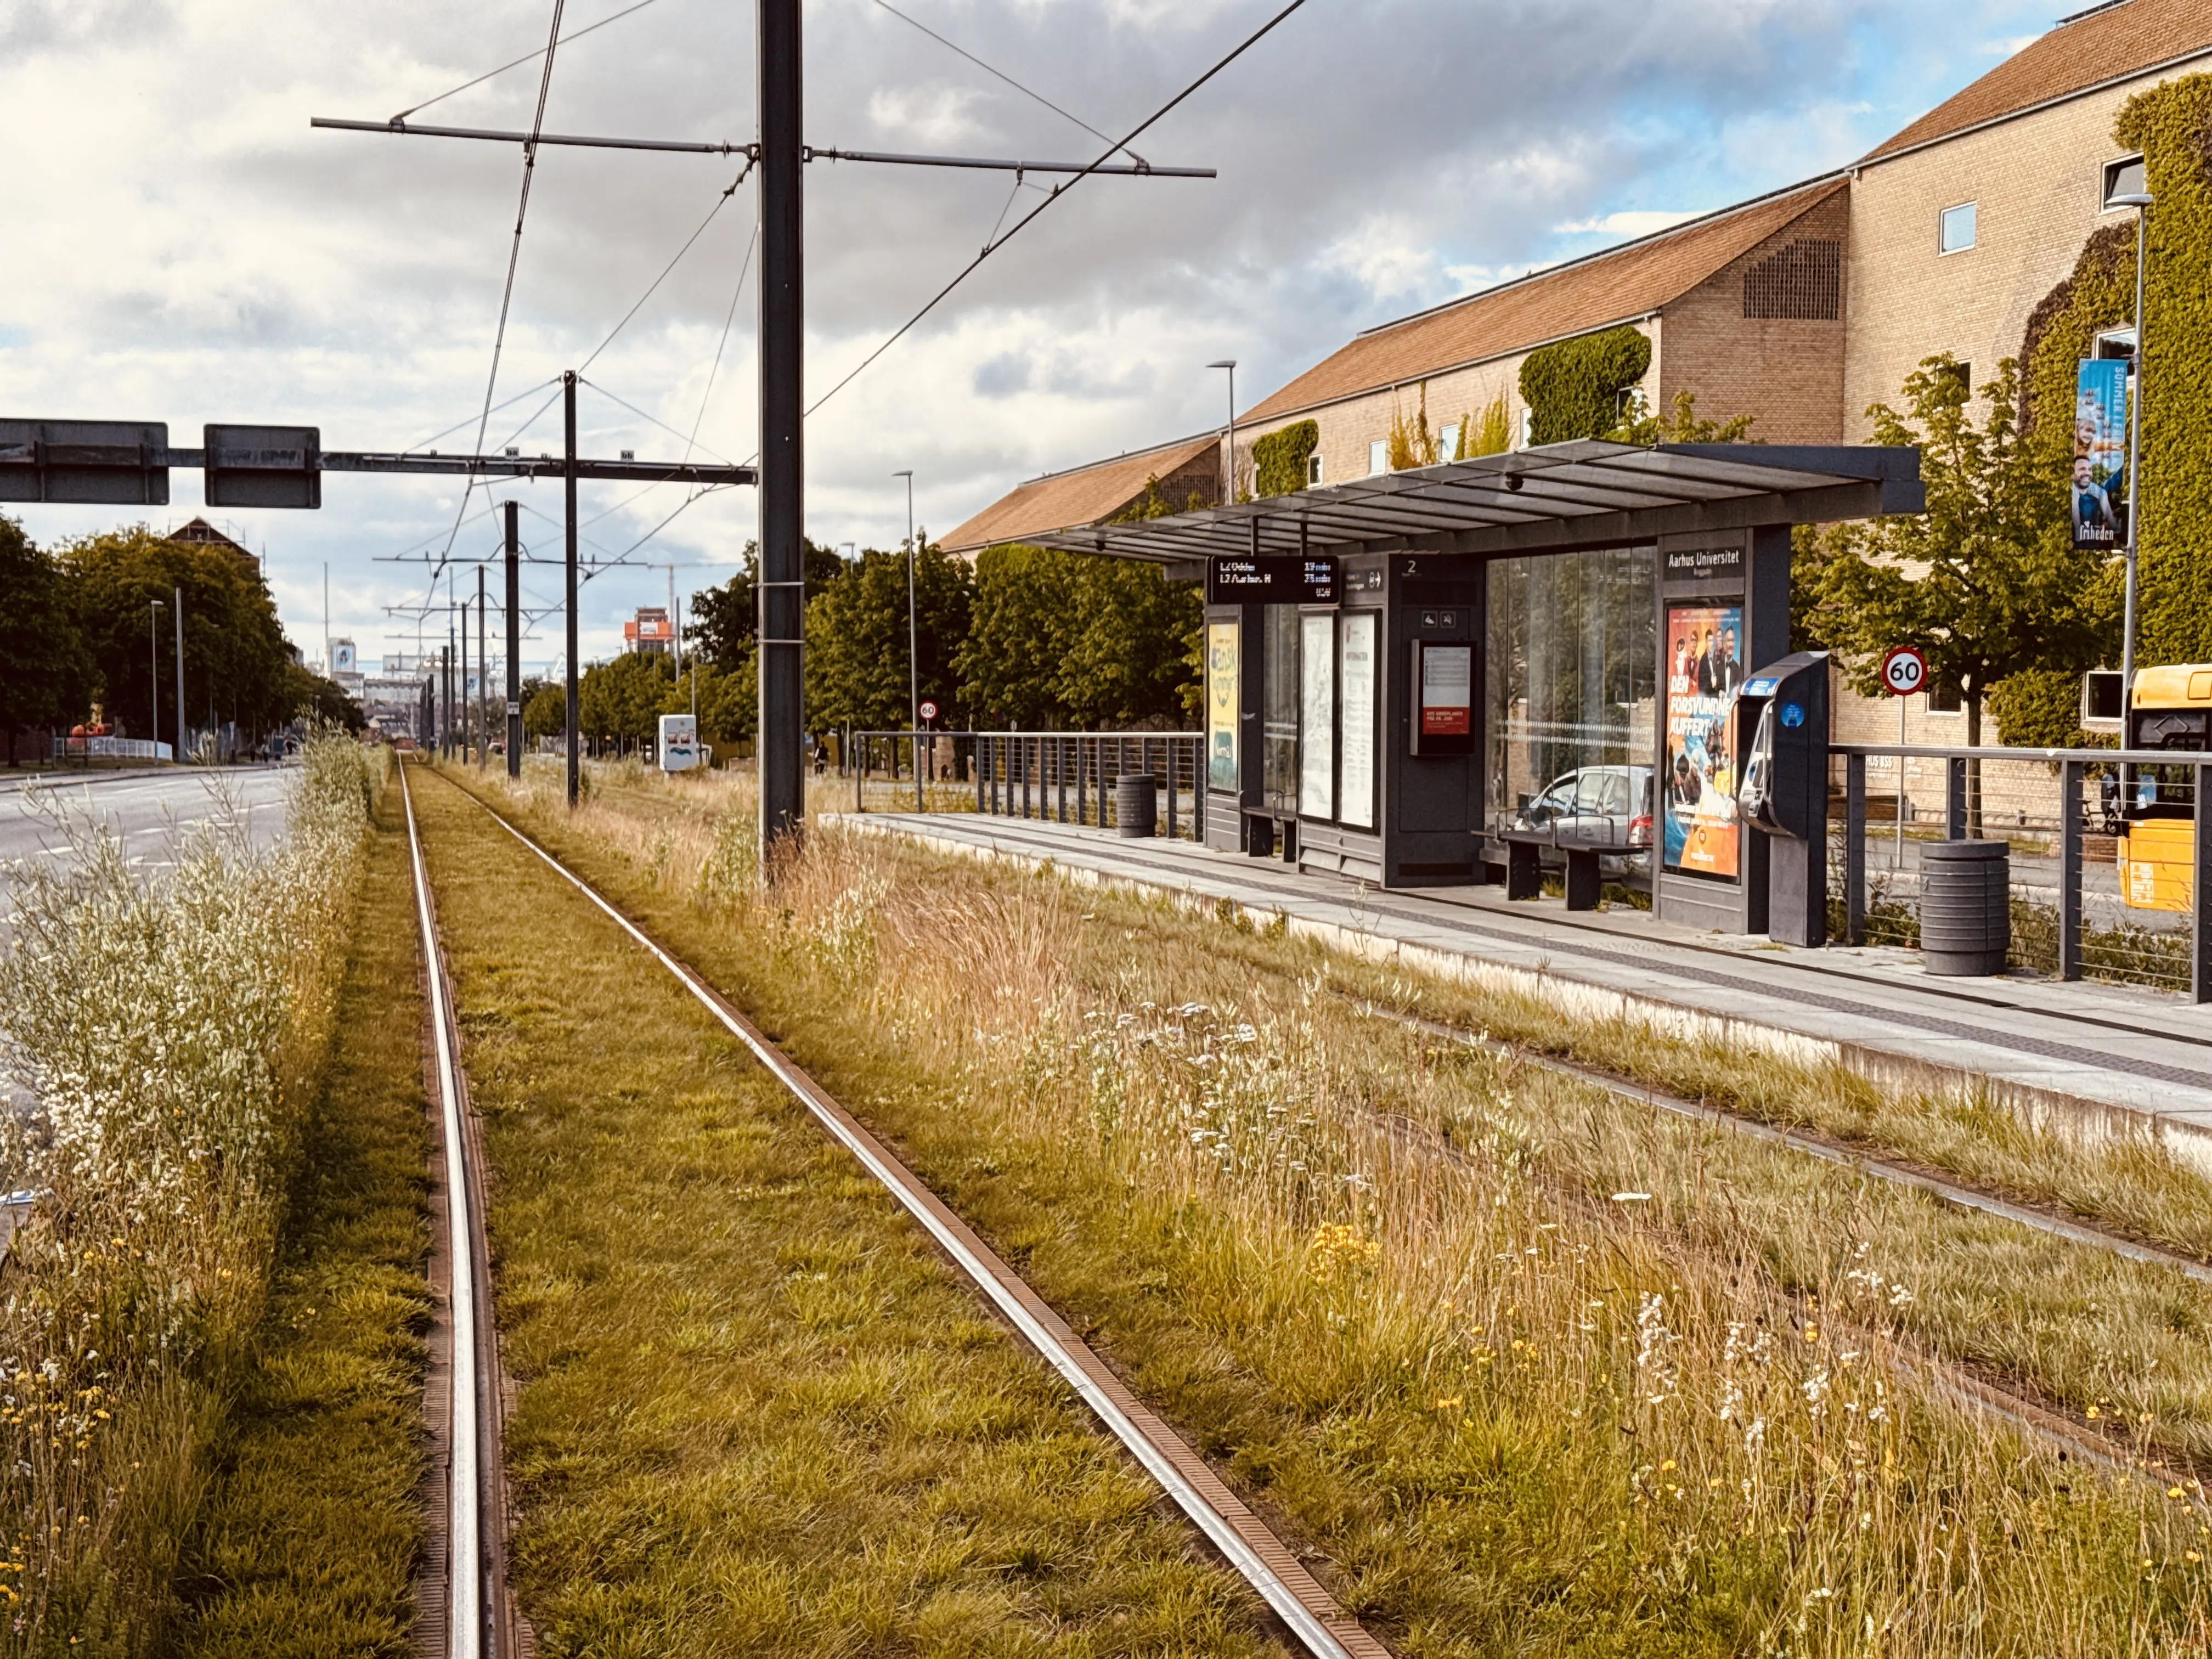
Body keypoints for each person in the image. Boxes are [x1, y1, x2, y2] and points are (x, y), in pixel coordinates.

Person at [2073, 455, 2116, 539]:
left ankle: (2114, 525)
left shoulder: (2090, 486)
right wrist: (2078, 534)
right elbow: (2075, 510)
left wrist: (2112, 524)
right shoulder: (2073, 489)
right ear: (2073, 472)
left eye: (2089, 469)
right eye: (2082, 469)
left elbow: (2102, 494)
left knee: (2103, 493)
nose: (2088, 473)